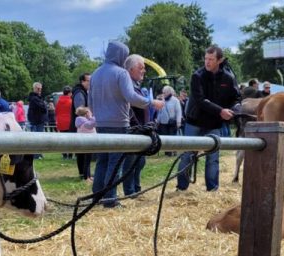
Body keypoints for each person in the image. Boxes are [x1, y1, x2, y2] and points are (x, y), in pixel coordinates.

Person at [89, 41, 163, 208]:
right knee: (115, 164)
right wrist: (151, 102)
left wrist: (99, 115)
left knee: (102, 161)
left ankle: (96, 197)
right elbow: (131, 97)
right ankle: (110, 200)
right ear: (121, 55)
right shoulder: (121, 73)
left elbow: (90, 102)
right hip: (118, 124)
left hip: (100, 124)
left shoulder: (95, 73)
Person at [177, 45, 240, 192]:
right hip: (195, 122)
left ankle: (212, 190)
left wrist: (235, 108)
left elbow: (236, 98)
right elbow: (200, 100)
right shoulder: (197, 76)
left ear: (220, 60)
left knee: (213, 157)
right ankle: (181, 188)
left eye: (211, 59)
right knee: (188, 155)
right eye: (206, 58)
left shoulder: (229, 78)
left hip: (214, 124)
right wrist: (221, 111)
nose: (207, 62)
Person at [121, 54, 152, 197]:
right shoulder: (128, 87)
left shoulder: (136, 86)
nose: (143, 71)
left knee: (139, 162)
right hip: (135, 130)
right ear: (131, 69)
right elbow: (131, 107)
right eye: (141, 68)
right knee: (131, 163)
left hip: (142, 130)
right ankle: (130, 191)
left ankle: (136, 189)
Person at [70, 72, 91, 180]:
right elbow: (79, 109)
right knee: (84, 152)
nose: (90, 83)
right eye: (88, 81)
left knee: (85, 151)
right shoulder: (79, 93)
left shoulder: (82, 92)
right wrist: (91, 111)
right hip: (81, 126)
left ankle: (86, 174)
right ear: (82, 81)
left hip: (82, 126)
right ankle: (84, 175)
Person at [156, 85, 182, 157]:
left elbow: (178, 111)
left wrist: (178, 122)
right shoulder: (162, 100)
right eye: (163, 92)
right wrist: (157, 121)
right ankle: (167, 152)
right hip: (163, 122)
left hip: (172, 122)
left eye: (165, 92)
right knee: (165, 137)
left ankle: (173, 150)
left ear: (169, 92)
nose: (163, 94)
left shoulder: (175, 100)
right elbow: (160, 111)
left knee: (172, 137)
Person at [74, 106, 96, 182]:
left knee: (86, 160)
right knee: (87, 161)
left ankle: (88, 176)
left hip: (83, 143)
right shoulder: (85, 123)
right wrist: (91, 117)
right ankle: (86, 177)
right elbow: (93, 123)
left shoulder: (80, 122)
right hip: (88, 143)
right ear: (86, 113)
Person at [27, 82, 48, 159]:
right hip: (36, 121)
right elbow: (43, 108)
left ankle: (38, 153)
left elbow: (43, 108)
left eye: (40, 89)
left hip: (39, 120)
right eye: (38, 88)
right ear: (34, 88)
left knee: (39, 138)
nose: (39, 90)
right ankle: (36, 154)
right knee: (36, 138)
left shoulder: (37, 98)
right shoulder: (34, 98)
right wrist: (44, 106)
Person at [55, 86, 73, 159]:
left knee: (63, 139)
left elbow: (56, 112)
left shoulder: (58, 101)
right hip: (69, 122)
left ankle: (64, 154)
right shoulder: (71, 101)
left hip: (61, 122)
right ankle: (70, 155)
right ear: (69, 93)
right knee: (71, 139)